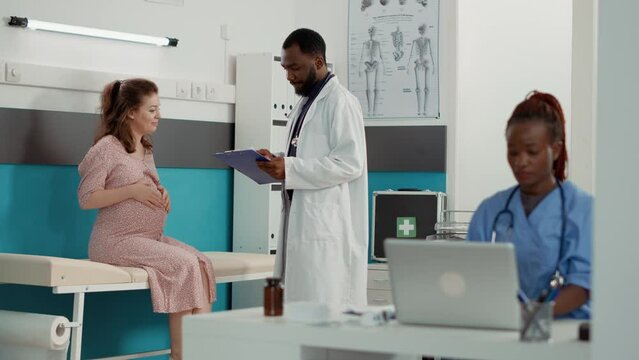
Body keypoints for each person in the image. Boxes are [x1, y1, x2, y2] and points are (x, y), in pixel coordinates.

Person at [77, 78, 215, 360]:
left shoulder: (146, 148)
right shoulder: (107, 147)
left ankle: (200, 351)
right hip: (115, 241)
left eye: (158, 108)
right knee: (183, 263)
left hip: (148, 238)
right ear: (130, 112)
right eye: (152, 109)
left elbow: (147, 186)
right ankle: (180, 355)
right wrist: (132, 191)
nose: (158, 115)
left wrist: (162, 194)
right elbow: (87, 198)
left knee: (201, 263)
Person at [256, 28, 369, 308]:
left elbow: (350, 163)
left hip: (327, 228)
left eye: (295, 67)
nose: (289, 76)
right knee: (296, 313)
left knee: (324, 310)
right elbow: (306, 153)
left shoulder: (340, 102)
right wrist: (278, 160)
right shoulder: (304, 104)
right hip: (301, 222)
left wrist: (291, 168)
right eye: (285, 68)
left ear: (318, 62)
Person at [467, 91, 592, 319]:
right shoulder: (490, 211)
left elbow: (581, 286)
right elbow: (471, 275)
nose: (520, 161)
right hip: (504, 328)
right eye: (512, 152)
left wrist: (532, 315)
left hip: (564, 331)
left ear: (555, 150)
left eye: (531, 152)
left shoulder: (582, 208)